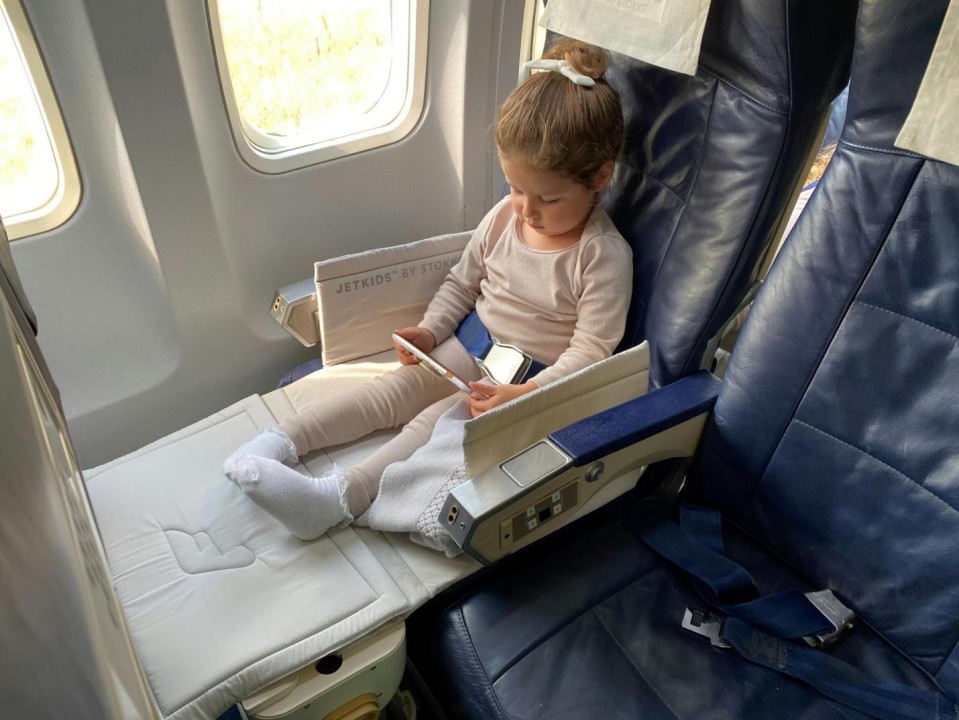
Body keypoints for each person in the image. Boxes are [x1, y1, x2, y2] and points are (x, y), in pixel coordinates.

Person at [223, 39, 634, 540]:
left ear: (599, 177)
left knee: (430, 427)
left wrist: (527, 395)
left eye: (546, 198)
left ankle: (335, 499)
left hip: (519, 380)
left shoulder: (602, 255)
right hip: (466, 346)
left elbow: (592, 351)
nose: (526, 208)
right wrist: (429, 329)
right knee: (388, 395)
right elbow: (463, 282)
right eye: (515, 188)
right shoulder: (505, 218)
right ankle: (277, 444)